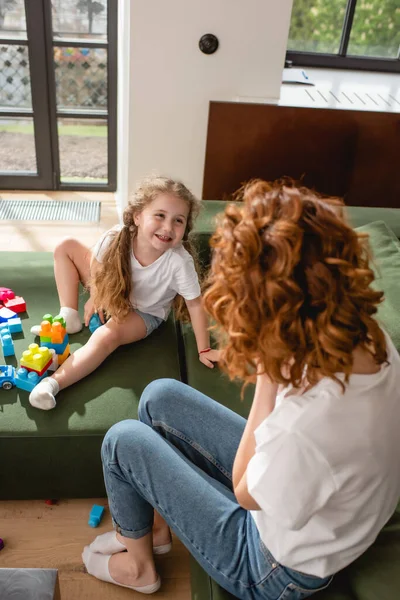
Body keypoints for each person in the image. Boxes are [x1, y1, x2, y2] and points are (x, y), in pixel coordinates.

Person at [81, 180, 400, 598]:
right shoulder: (365, 333)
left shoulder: (306, 427)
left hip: (274, 566)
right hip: (320, 506)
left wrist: (268, 380)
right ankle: (154, 534)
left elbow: (246, 492)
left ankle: (139, 566)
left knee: (122, 441)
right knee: (160, 395)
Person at [29, 176, 219, 410]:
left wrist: (204, 349)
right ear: (138, 216)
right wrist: (97, 295)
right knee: (65, 247)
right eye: (159, 215)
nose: (168, 227)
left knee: (106, 336)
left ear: (185, 228)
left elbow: (196, 305)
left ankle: (51, 384)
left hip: (144, 313)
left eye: (178, 220)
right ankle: (69, 316)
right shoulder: (116, 236)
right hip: (113, 287)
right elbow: (98, 266)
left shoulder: (179, 262)